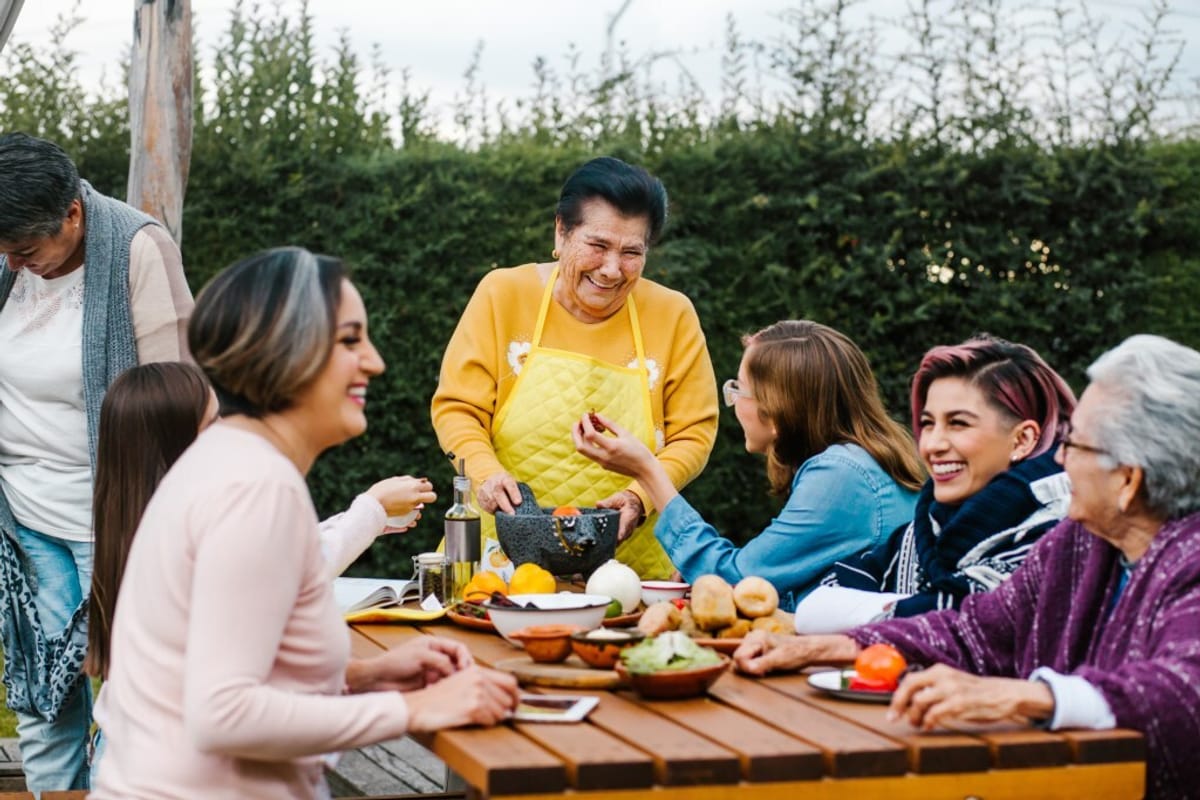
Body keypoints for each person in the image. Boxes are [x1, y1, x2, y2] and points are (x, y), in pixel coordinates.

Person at [90, 248, 518, 799]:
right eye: (349, 340)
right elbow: (221, 714)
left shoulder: (230, 462)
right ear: (284, 353)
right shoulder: (256, 489)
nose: (374, 361)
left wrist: (367, 676)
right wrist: (413, 707)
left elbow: (211, 667)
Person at [734, 334, 1200, 800]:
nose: (1059, 458)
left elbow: (1182, 693)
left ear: (1128, 479)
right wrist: (828, 647)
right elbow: (976, 629)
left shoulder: (1189, 558)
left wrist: (1025, 696)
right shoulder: (1081, 544)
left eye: (1076, 445)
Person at [0, 131, 193, 792]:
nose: (15, 265)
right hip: (25, 522)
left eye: (26, 250)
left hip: (118, 522)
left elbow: (178, 396)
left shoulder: (138, 249)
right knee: (42, 696)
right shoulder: (6, 258)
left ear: (73, 215)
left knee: (131, 695)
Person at [431, 156, 719, 580]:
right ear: (561, 232)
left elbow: (694, 433)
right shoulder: (504, 294)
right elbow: (457, 408)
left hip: (627, 569)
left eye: (631, 252)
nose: (611, 269)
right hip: (500, 562)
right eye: (598, 245)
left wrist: (640, 496)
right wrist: (486, 475)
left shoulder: (673, 314)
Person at [573, 320, 923, 610]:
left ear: (777, 412)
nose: (734, 402)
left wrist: (649, 472)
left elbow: (740, 579)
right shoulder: (857, 463)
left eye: (740, 389)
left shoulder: (840, 476)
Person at [794, 335, 1076, 631]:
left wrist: (875, 609)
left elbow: (975, 621)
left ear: (1022, 439)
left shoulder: (1062, 532)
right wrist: (911, 608)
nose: (932, 445)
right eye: (928, 423)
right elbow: (818, 602)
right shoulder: (924, 530)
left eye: (958, 423)